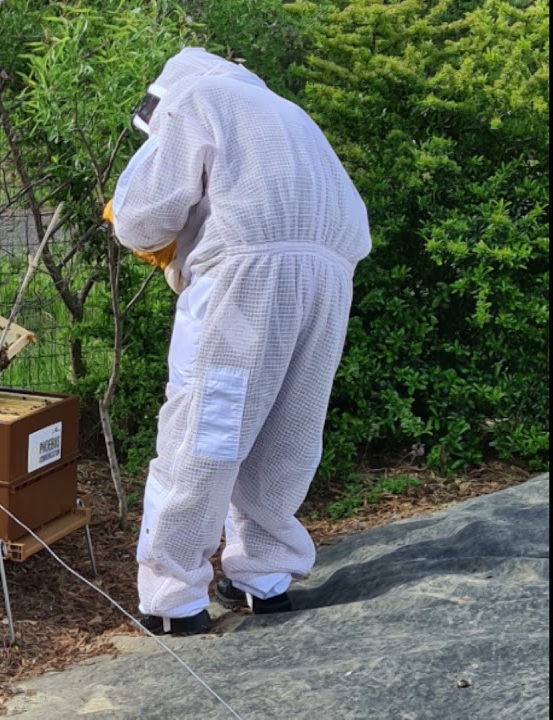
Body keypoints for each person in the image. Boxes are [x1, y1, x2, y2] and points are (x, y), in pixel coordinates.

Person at [104, 48, 372, 635]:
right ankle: (266, 580)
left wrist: (140, 230)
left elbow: (143, 215)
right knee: (288, 428)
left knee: (207, 427)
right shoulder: (289, 113)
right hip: (330, 276)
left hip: (245, 286)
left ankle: (173, 600)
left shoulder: (199, 98)